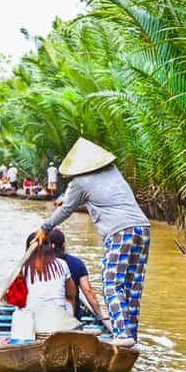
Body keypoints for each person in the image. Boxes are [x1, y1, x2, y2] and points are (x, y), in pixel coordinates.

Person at [35, 138, 150, 347]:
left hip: (120, 231)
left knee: (111, 283)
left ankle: (122, 335)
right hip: (142, 228)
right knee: (132, 286)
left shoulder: (79, 182)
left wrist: (45, 228)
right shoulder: (113, 171)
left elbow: (66, 210)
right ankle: (131, 336)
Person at [21, 232, 80, 333]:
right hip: (57, 321)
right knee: (69, 298)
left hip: (31, 320)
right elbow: (71, 293)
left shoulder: (22, 267)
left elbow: (14, 297)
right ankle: (69, 327)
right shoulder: (62, 264)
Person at [47, 229, 106, 323]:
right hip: (72, 317)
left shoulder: (39, 264)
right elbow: (88, 291)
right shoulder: (77, 263)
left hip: (44, 315)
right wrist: (99, 314)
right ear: (64, 244)